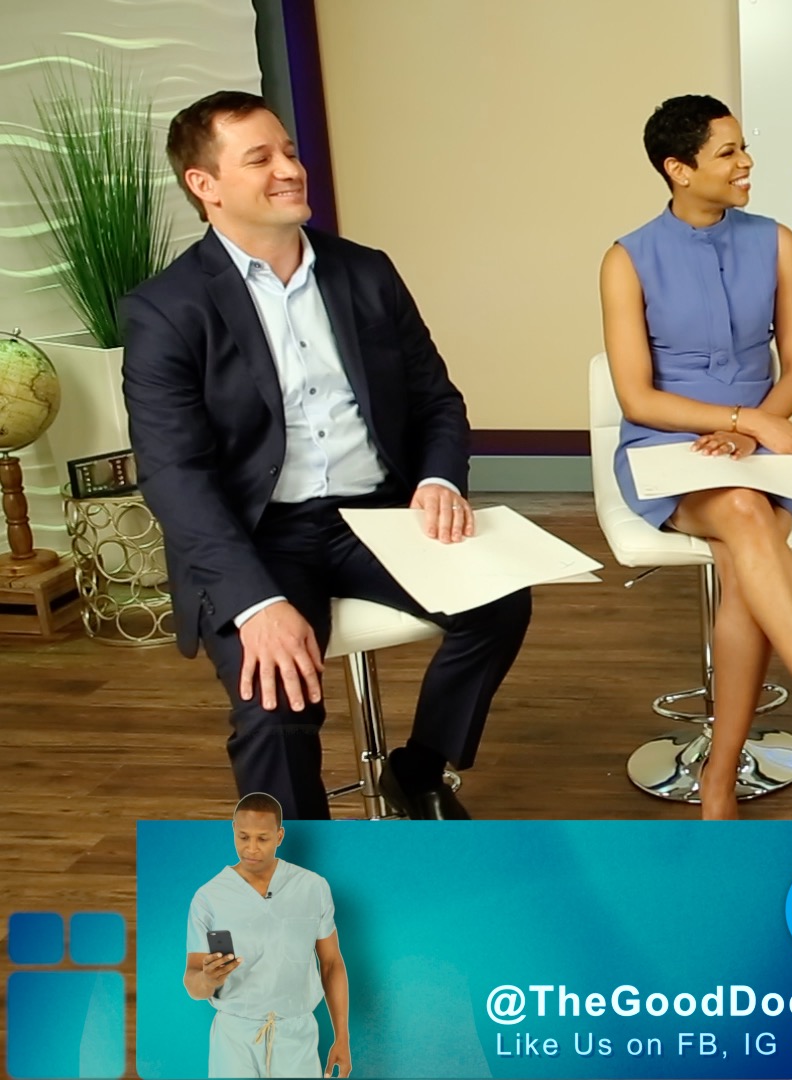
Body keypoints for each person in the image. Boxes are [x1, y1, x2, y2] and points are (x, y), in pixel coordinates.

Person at [122, 91, 532, 820]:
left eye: (289, 150)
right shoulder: (167, 309)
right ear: (204, 184)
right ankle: (301, 869)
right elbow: (174, 475)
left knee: (501, 601)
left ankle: (418, 770)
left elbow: (437, 400)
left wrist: (439, 478)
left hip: (375, 515)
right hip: (258, 536)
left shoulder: (365, 272)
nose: (290, 168)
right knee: (275, 705)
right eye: (261, 159)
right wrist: (255, 602)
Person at [600, 94, 792, 819]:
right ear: (678, 169)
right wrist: (740, 420)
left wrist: (755, 429)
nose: (747, 163)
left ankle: (719, 779)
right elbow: (637, 397)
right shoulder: (626, 259)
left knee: (745, 554)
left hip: (755, 444)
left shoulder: (777, 241)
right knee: (745, 513)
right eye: (728, 152)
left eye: (743, 148)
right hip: (668, 446)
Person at [185, 793, 348, 1077]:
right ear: (233, 830)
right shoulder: (209, 897)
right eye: (243, 837)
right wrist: (208, 980)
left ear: (279, 836)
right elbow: (193, 983)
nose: (251, 848)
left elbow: (331, 964)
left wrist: (342, 1037)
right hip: (234, 1037)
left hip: (297, 1035)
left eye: (262, 838)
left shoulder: (313, 887)